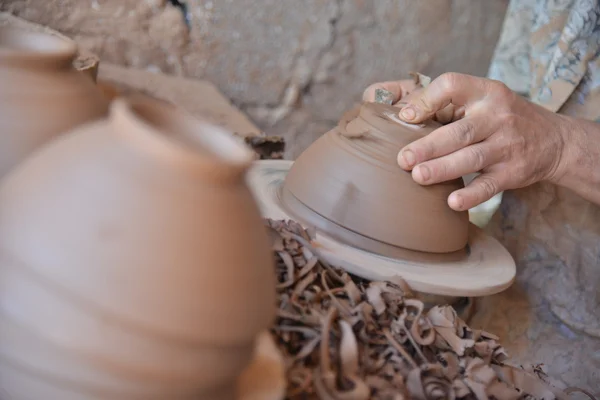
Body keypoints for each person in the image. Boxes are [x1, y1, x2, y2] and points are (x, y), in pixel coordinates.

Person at [363, 0, 600, 394]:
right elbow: (525, 112)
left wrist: (562, 146)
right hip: (500, 298)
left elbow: (545, 134)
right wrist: (444, 117)